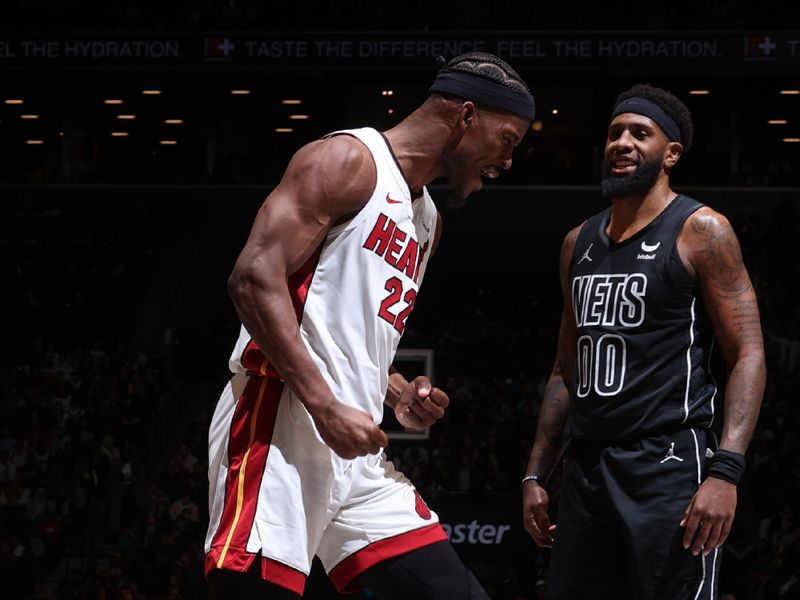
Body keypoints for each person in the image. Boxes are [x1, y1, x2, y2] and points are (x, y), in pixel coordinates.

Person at [205, 52, 535, 600]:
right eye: (507, 140)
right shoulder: (346, 160)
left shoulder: (428, 220)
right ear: (467, 116)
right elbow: (253, 278)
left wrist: (397, 391)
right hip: (280, 423)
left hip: (354, 451)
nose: (507, 160)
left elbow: (343, 329)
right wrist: (325, 405)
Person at [521, 84, 766, 599]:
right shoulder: (577, 242)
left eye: (640, 133)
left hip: (669, 464)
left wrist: (726, 470)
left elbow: (748, 353)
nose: (622, 143)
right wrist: (536, 473)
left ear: (671, 153)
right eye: (614, 133)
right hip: (588, 468)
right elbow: (566, 369)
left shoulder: (702, 230)